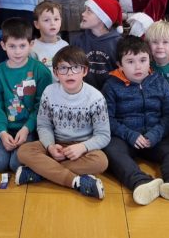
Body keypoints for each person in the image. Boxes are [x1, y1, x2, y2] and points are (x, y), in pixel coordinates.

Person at [102, 36, 169, 206]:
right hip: (126, 137)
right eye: (130, 61)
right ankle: (140, 182)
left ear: (149, 60)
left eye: (143, 60)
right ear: (119, 65)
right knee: (112, 151)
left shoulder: (159, 81)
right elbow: (107, 119)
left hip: (156, 135)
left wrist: (155, 134)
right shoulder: (111, 85)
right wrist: (130, 135)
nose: (138, 66)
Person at [15, 46, 111, 199]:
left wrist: (82, 147)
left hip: (82, 148)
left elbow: (103, 135)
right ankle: (75, 181)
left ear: (85, 71)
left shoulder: (96, 98)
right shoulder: (49, 92)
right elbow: (44, 125)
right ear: (56, 73)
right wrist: (50, 146)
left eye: (76, 68)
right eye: (63, 68)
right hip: (56, 143)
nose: (70, 73)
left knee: (101, 162)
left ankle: (40, 172)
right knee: (23, 151)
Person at [0, 18, 53, 173]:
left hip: (29, 128)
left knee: (16, 164)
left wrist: (27, 129)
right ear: (3, 46)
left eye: (22, 46)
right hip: (6, 128)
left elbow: (41, 106)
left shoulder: (41, 72)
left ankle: (35, 150)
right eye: (12, 46)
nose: (17, 51)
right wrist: (2, 132)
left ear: (31, 44)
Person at [72, 0, 123, 89]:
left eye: (89, 11)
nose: (83, 14)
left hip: (111, 93)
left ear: (102, 18)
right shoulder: (78, 40)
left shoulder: (118, 43)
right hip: (83, 92)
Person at [30, 1, 69, 77]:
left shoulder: (65, 46)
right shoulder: (32, 47)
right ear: (37, 24)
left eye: (56, 19)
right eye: (46, 20)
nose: (52, 23)